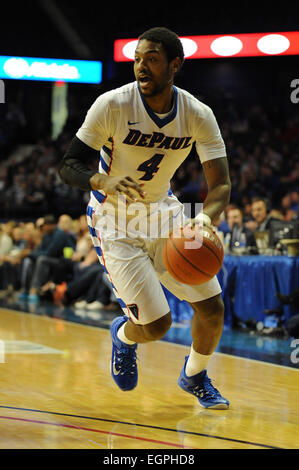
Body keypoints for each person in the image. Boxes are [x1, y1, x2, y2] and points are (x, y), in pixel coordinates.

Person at [59, 27, 231, 409]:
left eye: (151, 59)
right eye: (137, 58)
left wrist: (204, 220)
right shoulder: (113, 104)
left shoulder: (198, 114)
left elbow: (220, 186)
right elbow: (68, 165)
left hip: (166, 214)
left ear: (174, 65)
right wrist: (100, 178)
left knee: (213, 308)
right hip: (114, 221)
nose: (141, 66)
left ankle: (195, 376)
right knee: (156, 326)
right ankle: (123, 336)